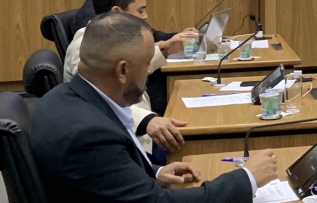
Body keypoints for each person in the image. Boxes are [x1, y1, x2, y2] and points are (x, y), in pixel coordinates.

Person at [30, 12, 278, 202]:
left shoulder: (62, 98)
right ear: (122, 70)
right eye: (147, 62)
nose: (150, 70)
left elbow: (103, 176)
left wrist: (154, 172)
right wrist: (246, 179)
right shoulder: (89, 136)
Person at [63, 0, 194, 154]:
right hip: (123, 140)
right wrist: (147, 120)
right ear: (117, 12)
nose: (145, 16)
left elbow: (128, 67)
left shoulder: (112, 37)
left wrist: (165, 50)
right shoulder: (87, 44)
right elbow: (95, 98)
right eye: (140, 11)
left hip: (136, 132)